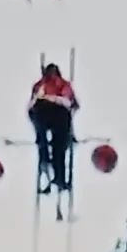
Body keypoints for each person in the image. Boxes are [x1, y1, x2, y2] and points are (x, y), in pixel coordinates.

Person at [28, 63, 78, 193]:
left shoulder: (40, 84)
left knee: (44, 146)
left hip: (42, 111)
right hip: (58, 112)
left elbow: (31, 107)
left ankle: (48, 172)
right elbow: (72, 104)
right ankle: (59, 177)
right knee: (59, 147)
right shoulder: (63, 84)